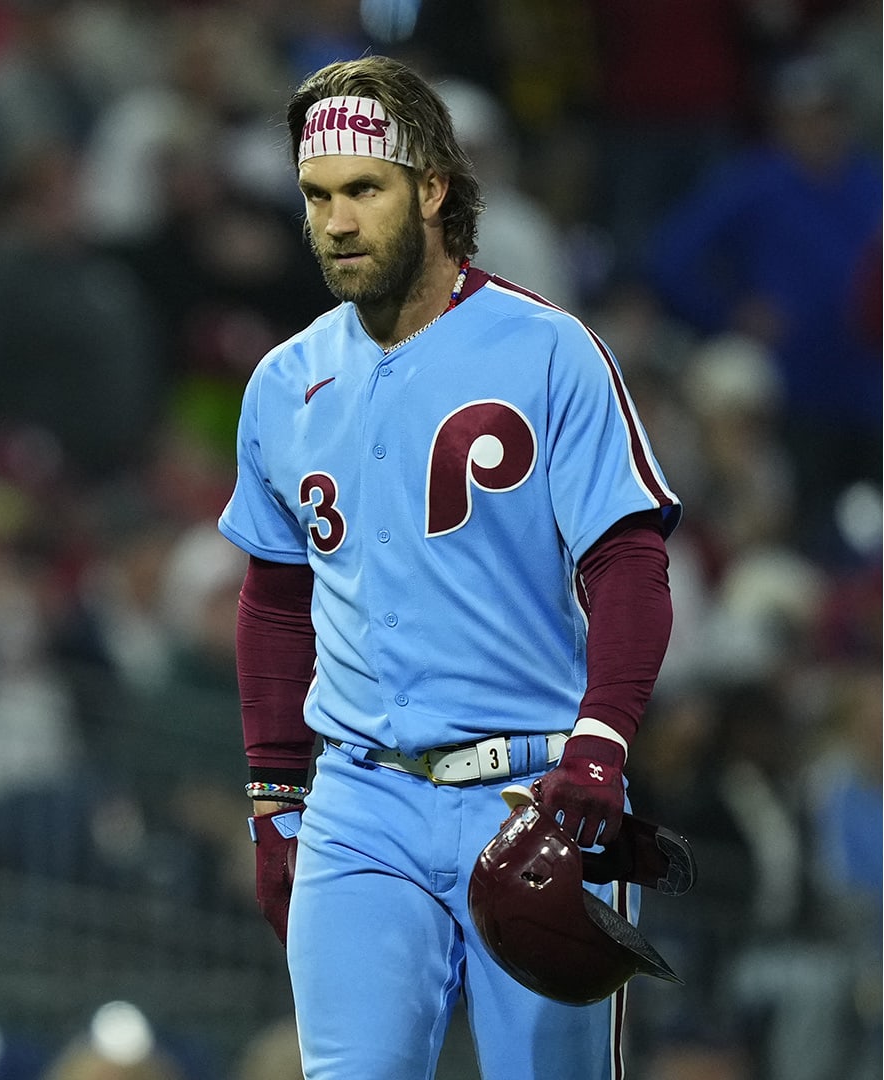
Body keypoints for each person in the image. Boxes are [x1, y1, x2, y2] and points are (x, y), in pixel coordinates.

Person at [218, 56, 679, 1079]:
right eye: (317, 195)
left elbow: (628, 564)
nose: (336, 221)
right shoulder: (283, 380)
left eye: (363, 190)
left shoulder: (552, 351)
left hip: (535, 792)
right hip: (358, 803)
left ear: (431, 187)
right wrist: (272, 793)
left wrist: (601, 743)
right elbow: (277, 600)